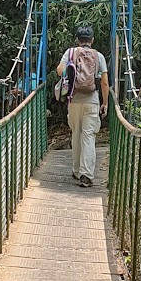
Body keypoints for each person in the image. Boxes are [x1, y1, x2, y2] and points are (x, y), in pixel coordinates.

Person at [55, 24, 109, 187]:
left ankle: (77, 170)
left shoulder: (70, 52)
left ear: (77, 40)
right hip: (92, 100)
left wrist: (70, 74)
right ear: (92, 40)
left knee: (76, 133)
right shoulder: (98, 56)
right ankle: (86, 175)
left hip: (74, 99)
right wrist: (105, 103)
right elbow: (105, 83)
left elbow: (59, 71)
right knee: (88, 136)